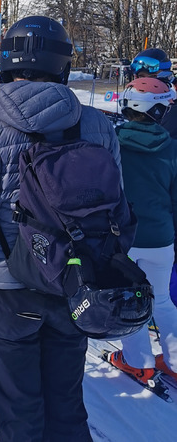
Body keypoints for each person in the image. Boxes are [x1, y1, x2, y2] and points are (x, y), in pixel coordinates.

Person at [0, 16, 120, 442]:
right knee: (65, 403)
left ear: (7, 65)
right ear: (62, 66)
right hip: (75, 283)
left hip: (7, 291)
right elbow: (116, 211)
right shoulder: (98, 127)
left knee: (20, 411)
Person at [107, 77, 177, 383]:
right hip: (161, 239)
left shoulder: (112, 142)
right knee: (161, 300)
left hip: (123, 236)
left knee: (128, 299)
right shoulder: (172, 149)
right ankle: (175, 360)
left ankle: (139, 361)